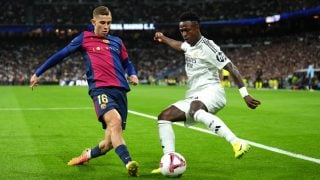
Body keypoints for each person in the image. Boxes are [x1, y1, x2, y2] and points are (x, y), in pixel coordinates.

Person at [30, 6, 139, 176]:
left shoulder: (117, 42)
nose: (106, 26)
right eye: (102, 23)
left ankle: (86, 155)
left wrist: (132, 74)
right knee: (115, 121)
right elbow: (61, 54)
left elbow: (127, 63)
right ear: (93, 22)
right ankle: (129, 163)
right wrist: (38, 72)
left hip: (121, 92)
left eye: (109, 23)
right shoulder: (84, 38)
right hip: (100, 89)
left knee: (108, 143)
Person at [151, 12, 261, 173]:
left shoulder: (209, 47)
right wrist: (164, 38)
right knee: (164, 117)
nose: (184, 34)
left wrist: (245, 94)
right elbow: (179, 45)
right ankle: (170, 161)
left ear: (197, 27)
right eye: (182, 31)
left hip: (212, 91)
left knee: (196, 109)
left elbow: (231, 67)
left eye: (187, 30)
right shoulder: (189, 45)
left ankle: (237, 142)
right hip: (194, 94)